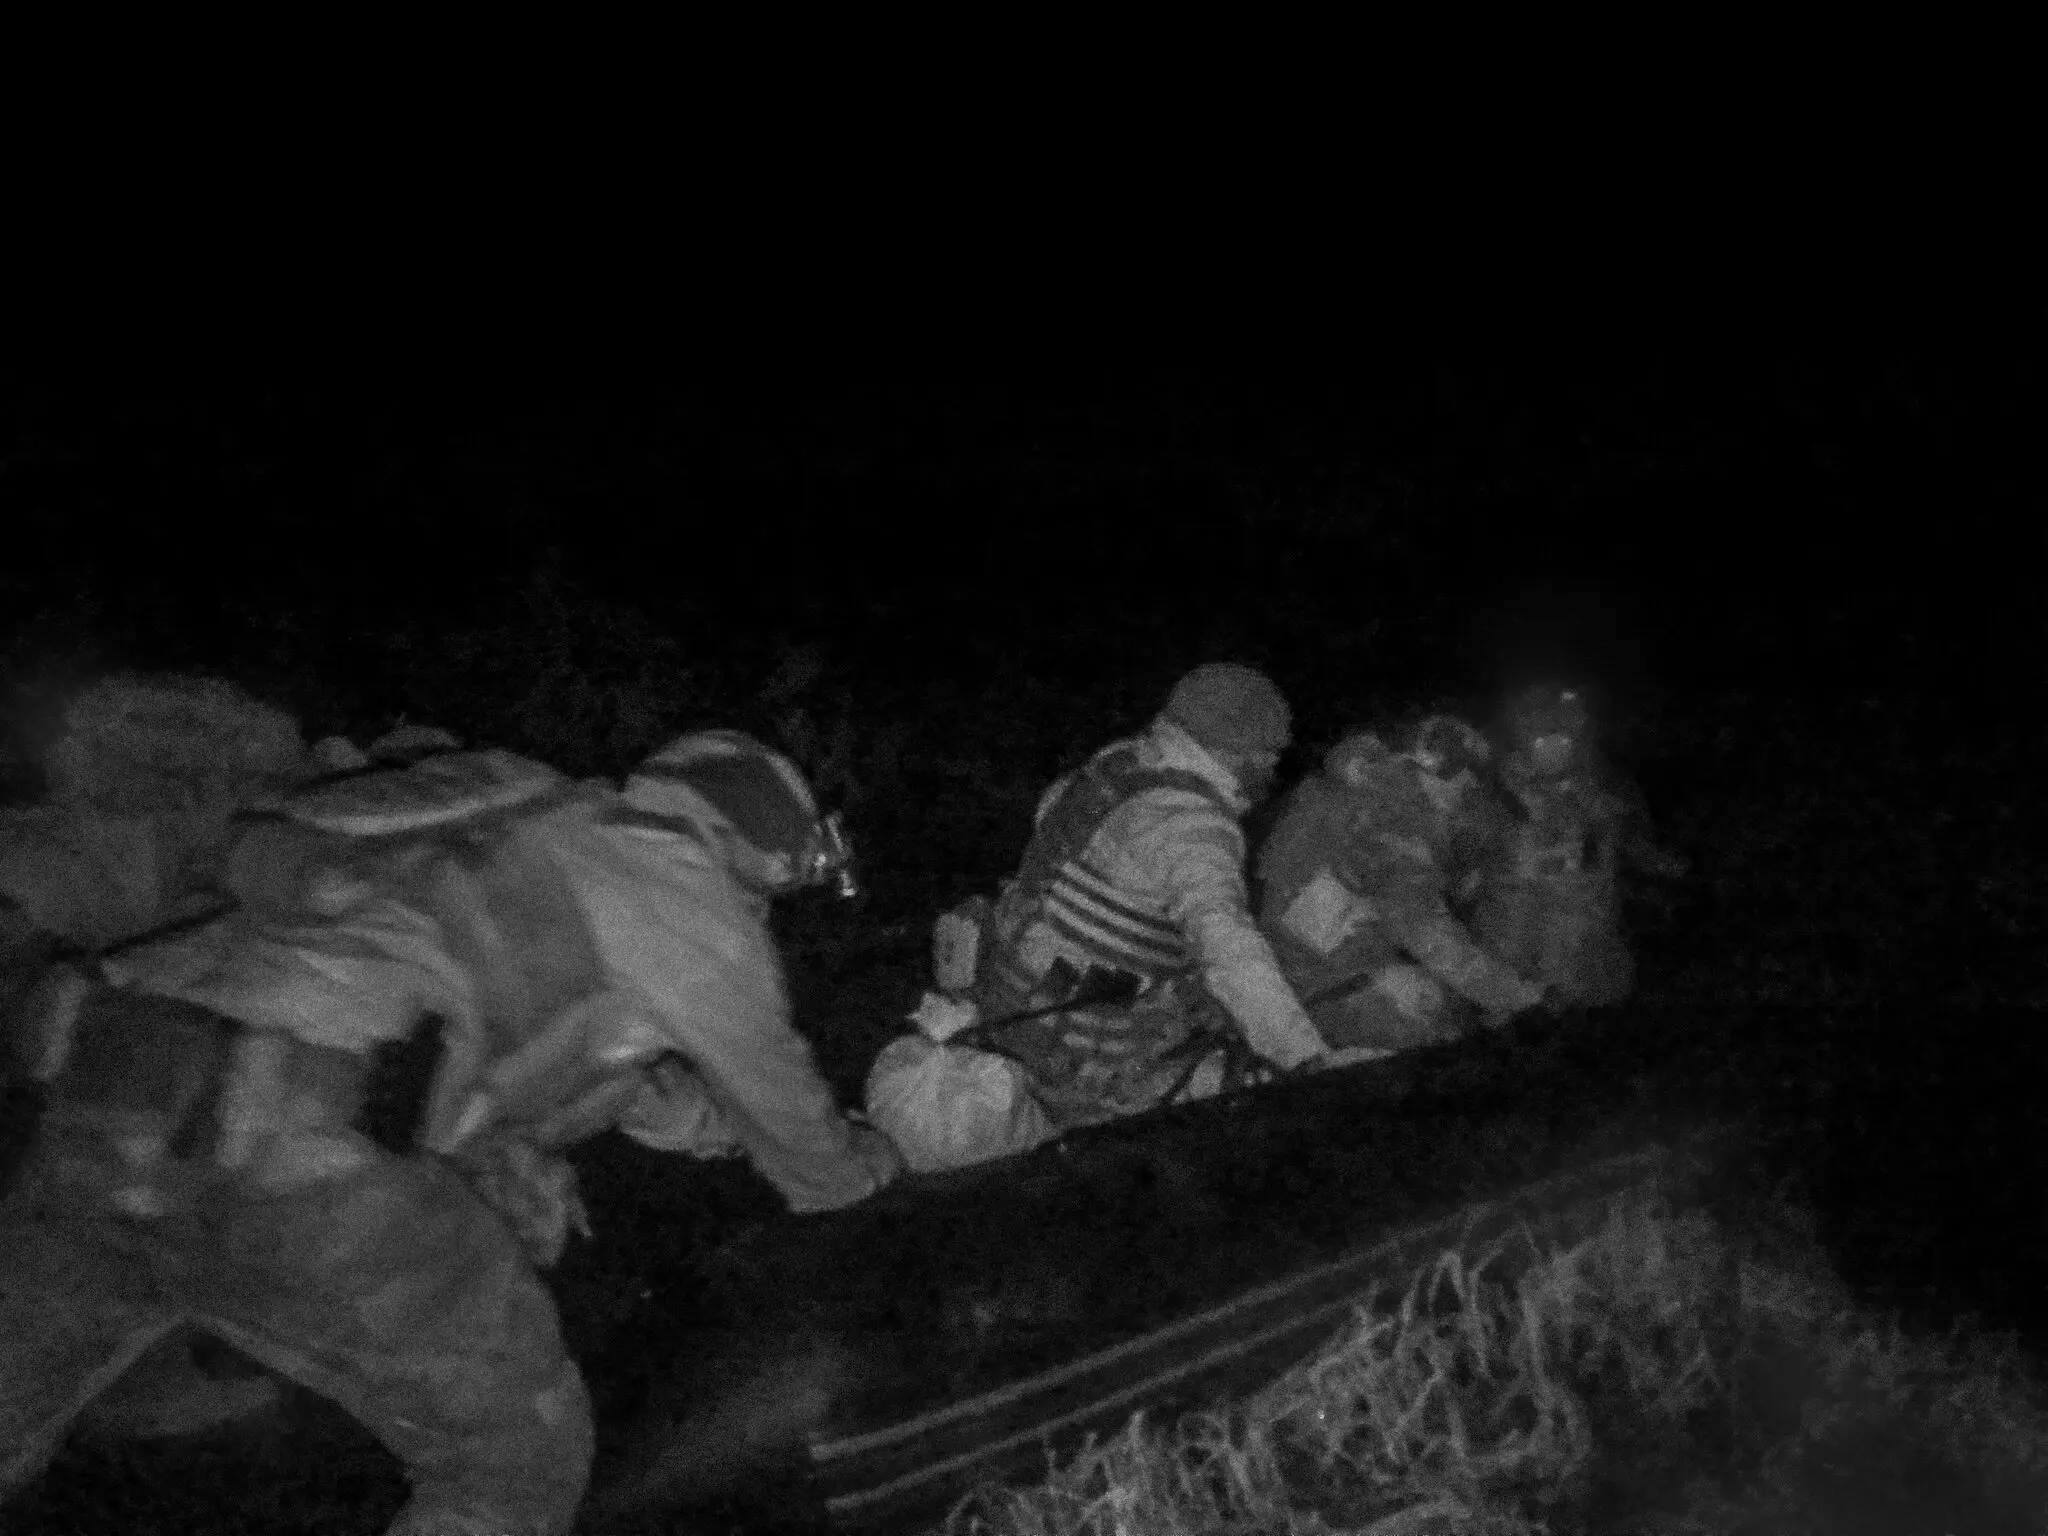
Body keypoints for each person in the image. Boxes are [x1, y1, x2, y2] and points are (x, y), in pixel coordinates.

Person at [0, 727, 899, 1536]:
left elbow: (599, 1071)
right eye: (786, 875)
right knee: (514, 1464)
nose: (774, 904)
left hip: (111, 1093)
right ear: (749, 841)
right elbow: (800, 1139)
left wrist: (708, 1129)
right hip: (306, 1147)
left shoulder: (520, 819)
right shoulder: (685, 894)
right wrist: (871, 1164)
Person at [964, 663, 1328, 1128]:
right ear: (1238, 751)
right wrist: (1304, 1058)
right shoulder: (1192, 827)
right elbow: (1230, 950)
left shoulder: (1116, 766)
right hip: (1077, 1052)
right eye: (1270, 753)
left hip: (1005, 997)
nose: (1274, 767)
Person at [1257, 715, 1545, 1053]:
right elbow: (1428, 934)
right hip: (1319, 986)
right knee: (1436, 1019)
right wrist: (1515, 995)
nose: (1465, 799)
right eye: (1467, 787)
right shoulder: (1401, 824)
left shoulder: (1363, 788)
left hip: (1283, 964)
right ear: (1447, 775)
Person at [1470, 685, 1685, 1008]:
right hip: (1511, 953)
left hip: (1579, 952)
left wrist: (1667, 867)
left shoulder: (1600, 795)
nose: (1553, 751)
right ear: (1526, 743)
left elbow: (1634, 844)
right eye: (1541, 743)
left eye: (1562, 742)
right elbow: (1466, 851)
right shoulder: (1498, 794)